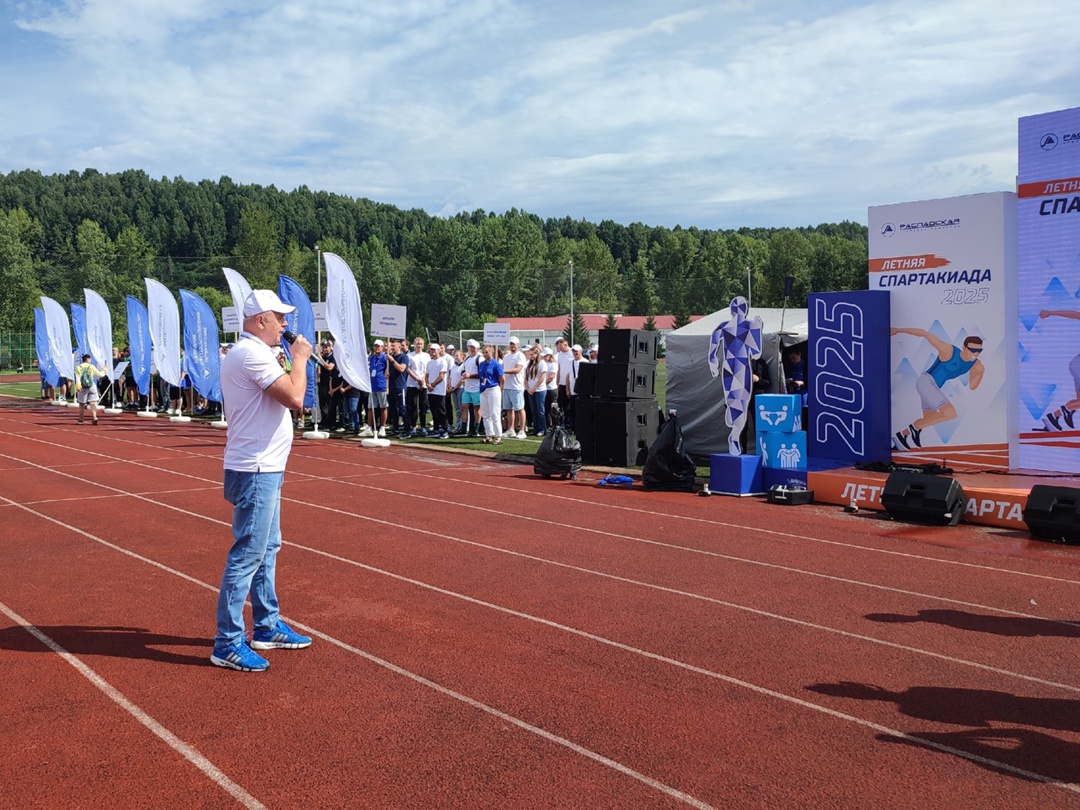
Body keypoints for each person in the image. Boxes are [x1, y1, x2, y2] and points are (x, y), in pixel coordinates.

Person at [210, 289, 313, 673]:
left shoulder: (255, 353)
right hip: (255, 468)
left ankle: (267, 625)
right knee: (248, 554)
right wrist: (300, 359)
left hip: (264, 466)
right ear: (259, 320)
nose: (286, 324)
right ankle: (228, 642)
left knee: (267, 547)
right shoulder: (251, 353)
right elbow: (295, 397)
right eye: (280, 317)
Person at [891, 328, 985, 449]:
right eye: (972, 350)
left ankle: (901, 437)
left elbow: (973, 386)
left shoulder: (975, 364)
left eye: (979, 350)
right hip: (926, 382)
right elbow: (926, 334)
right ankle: (914, 428)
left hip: (934, 388)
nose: (975, 353)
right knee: (950, 413)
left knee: (929, 419)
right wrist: (898, 330)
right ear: (964, 347)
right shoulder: (948, 351)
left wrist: (979, 374)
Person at [708, 296, 763, 455]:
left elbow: (713, 346)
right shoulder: (750, 325)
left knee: (735, 400)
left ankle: (734, 429)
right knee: (741, 403)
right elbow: (757, 353)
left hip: (730, 366)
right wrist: (757, 330)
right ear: (745, 310)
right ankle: (735, 432)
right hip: (740, 367)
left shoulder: (724, 326)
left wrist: (713, 361)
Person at [1037, 309, 1080, 430]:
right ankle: (1064, 411)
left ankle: (1053, 418)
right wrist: (1051, 313)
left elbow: (1076, 315)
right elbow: (1075, 314)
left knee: (1079, 401)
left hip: (1076, 363)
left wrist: (1051, 313)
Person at [363, 339, 390, 437]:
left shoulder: (385, 358)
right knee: (371, 407)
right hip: (372, 386)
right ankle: (370, 427)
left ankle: (382, 427)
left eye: (379, 346)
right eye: (375, 346)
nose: (377, 348)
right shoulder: (372, 358)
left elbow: (388, 370)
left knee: (383, 406)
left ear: (382, 347)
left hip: (381, 385)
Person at [478, 344, 504, 444]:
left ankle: (498, 435)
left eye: (487, 352)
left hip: (493, 388)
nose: (485, 354)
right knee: (485, 413)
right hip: (483, 389)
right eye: (483, 352)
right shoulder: (482, 364)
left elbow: (502, 378)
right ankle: (489, 434)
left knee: (495, 413)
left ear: (492, 353)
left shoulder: (495, 364)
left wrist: (500, 389)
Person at [405, 337, 429, 436]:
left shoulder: (426, 356)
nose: (419, 346)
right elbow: (408, 369)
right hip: (412, 383)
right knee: (413, 406)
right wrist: (417, 379)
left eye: (420, 344)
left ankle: (423, 426)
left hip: (423, 383)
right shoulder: (410, 355)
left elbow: (427, 369)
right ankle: (413, 426)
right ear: (414, 345)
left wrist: (422, 379)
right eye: (417, 344)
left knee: (422, 406)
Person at [73, 354, 106, 425]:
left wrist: (78, 387)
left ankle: (81, 419)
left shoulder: (78, 367)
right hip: (91, 386)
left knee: (81, 404)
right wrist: (105, 370)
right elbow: (100, 374)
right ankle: (94, 417)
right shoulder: (91, 367)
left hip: (83, 386)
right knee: (93, 402)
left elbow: (78, 378)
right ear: (88, 359)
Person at [461, 339, 483, 437]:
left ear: (477, 348)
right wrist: (464, 374)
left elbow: (482, 374)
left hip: (476, 388)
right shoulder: (467, 358)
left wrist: (470, 375)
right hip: (468, 387)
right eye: (470, 347)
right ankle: (464, 428)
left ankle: (476, 429)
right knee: (464, 407)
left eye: (474, 347)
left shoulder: (480, 358)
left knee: (477, 408)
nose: (472, 349)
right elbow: (463, 370)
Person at [525, 345, 547, 436]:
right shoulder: (529, 364)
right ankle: (536, 428)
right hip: (530, 390)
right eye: (530, 355)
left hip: (540, 390)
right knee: (533, 410)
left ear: (537, 354)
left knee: (540, 410)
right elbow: (526, 377)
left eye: (533, 354)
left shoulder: (542, 363)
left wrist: (535, 388)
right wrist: (527, 387)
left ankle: (542, 428)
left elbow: (542, 377)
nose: (531, 356)